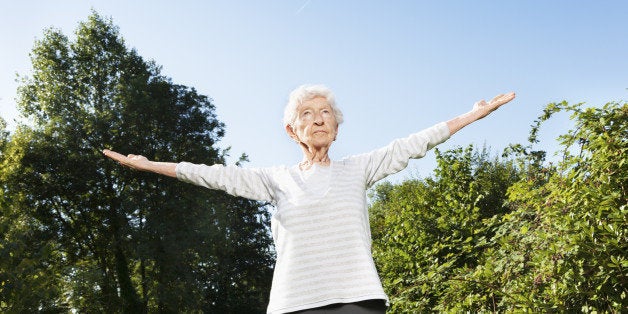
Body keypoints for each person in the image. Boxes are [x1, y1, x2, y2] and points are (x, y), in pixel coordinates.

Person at [103, 84, 516, 314]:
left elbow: (414, 143)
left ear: (336, 128)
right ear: (291, 131)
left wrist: (472, 114)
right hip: (294, 303)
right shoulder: (274, 180)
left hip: (357, 299)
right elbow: (216, 176)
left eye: (326, 113)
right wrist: (149, 164)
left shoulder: (359, 168)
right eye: (306, 113)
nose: (318, 118)